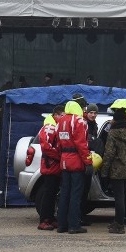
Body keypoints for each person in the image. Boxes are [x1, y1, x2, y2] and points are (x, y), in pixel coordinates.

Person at [99, 106, 126, 235]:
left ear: (115, 120)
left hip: (116, 170)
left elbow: (109, 154)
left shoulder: (113, 134)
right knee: (123, 196)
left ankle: (119, 225)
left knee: (119, 198)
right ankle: (118, 221)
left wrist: (104, 172)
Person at [56, 100, 91, 234]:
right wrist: (88, 162)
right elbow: (82, 144)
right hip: (76, 160)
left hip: (64, 160)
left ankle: (62, 225)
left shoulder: (60, 121)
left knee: (64, 193)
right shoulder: (79, 121)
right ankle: (74, 225)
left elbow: (58, 143)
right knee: (76, 195)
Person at [36, 105, 64, 230]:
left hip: (55, 166)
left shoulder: (56, 127)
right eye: (62, 115)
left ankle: (51, 218)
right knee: (48, 194)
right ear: (56, 115)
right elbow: (46, 147)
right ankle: (44, 220)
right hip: (50, 166)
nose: (64, 118)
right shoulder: (49, 128)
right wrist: (60, 157)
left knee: (52, 194)